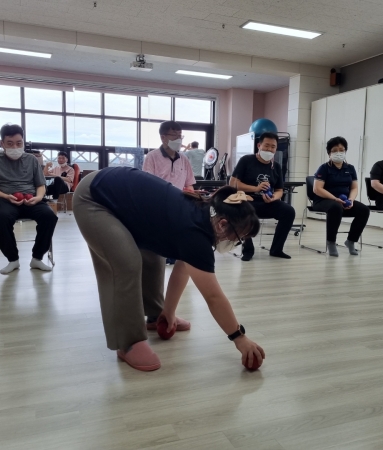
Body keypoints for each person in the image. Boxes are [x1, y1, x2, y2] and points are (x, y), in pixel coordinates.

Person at [72, 166, 265, 371]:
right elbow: (213, 297)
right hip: (94, 197)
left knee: (154, 257)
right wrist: (239, 338)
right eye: (239, 237)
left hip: (118, 194)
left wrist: (169, 312)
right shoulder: (194, 232)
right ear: (222, 224)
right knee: (126, 265)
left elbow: (183, 269)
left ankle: (157, 315)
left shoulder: (204, 216)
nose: (236, 243)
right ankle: (128, 341)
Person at [0, 124, 58, 274]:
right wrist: (5, 196)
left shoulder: (31, 159)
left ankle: (37, 258)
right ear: (2, 143)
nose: (15, 147)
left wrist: (38, 197)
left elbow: (41, 185)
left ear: (23, 142)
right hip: (6, 199)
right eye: (10, 143)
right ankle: (13, 260)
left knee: (49, 216)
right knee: (1, 219)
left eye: (19, 143)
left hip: (31, 198)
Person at [230, 132, 295, 261]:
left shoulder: (276, 166)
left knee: (288, 211)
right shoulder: (246, 160)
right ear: (259, 146)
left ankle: (276, 249)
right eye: (266, 145)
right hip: (246, 200)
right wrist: (256, 188)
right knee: (244, 211)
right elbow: (233, 183)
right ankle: (248, 250)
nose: (269, 149)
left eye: (273, 147)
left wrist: (274, 198)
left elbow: (279, 190)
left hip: (266, 202)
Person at [143, 120, 195, 268]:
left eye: (180, 136)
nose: (178, 140)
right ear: (163, 137)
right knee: (159, 239)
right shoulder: (152, 157)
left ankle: (173, 257)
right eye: (174, 136)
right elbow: (147, 184)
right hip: (158, 204)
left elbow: (189, 184)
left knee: (177, 235)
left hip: (178, 204)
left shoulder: (184, 159)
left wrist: (189, 198)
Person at [312, 136, 370, 256]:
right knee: (336, 207)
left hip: (344, 201)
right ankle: (331, 242)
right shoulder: (324, 168)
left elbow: (354, 188)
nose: (338, 153)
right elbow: (317, 189)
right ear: (329, 153)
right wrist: (335, 199)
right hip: (323, 201)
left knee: (364, 210)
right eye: (334, 150)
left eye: (341, 150)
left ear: (345, 151)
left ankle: (351, 241)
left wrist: (351, 200)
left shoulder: (350, 168)